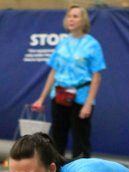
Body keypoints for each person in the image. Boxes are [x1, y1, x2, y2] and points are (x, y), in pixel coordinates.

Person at [31, 4, 106, 159]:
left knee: (81, 140)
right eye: (69, 16)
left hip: (80, 97)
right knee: (57, 138)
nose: (71, 19)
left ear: (83, 20)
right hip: (59, 95)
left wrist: (88, 103)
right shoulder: (62, 43)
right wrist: (41, 98)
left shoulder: (92, 44)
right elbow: (53, 71)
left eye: (75, 16)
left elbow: (97, 76)